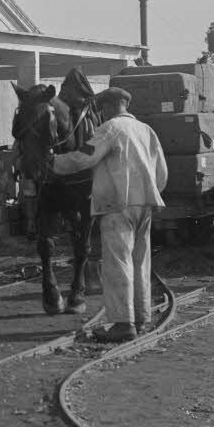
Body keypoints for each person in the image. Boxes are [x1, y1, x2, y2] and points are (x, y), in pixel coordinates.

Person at [51, 87, 167, 344]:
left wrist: (53, 162)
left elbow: (84, 158)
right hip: (145, 205)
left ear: (108, 107)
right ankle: (141, 318)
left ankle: (123, 324)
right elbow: (161, 172)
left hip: (117, 206)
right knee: (140, 262)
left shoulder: (110, 129)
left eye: (101, 109)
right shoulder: (146, 131)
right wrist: (148, 194)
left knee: (118, 264)